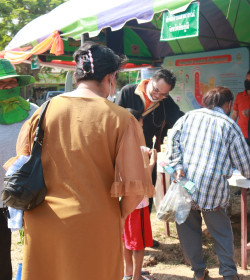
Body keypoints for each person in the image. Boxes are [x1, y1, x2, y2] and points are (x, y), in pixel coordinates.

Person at [4, 42, 155, 280]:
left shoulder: (43, 110)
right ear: (111, 77)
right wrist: (117, 216)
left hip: (45, 220)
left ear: (77, 76)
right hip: (96, 223)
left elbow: (21, 162)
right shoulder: (121, 119)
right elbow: (135, 187)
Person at [167, 87, 250, 280]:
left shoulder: (187, 118)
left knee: (188, 229)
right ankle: (229, 274)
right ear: (228, 104)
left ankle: (199, 272)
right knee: (222, 233)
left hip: (185, 185)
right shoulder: (229, 125)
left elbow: (172, 146)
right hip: (212, 188)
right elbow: (245, 165)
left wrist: (178, 166)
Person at [116, 68, 184, 247]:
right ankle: (121, 236)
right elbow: (114, 119)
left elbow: (180, 119)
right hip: (124, 155)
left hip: (147, 158)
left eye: (163, 94)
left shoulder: (165, 101)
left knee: (147, 195)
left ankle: (144, 235)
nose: (158, 96)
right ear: (150, 81)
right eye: (156, 90)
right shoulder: (128, 92)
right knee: (123, 195)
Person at [0, 58, 38, 280]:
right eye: (2, 84)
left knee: (34, 249)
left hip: (29, 194)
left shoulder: (33, 111)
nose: (7, 88)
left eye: (11, 83)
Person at [122, 108, 157, 280]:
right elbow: (144, 175)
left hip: (123, 200)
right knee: (138, 242)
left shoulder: (118, 142)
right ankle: (136, 277)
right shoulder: (140, 147)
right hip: (139, 202)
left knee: (126, 238)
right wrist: (153, 161)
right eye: (141, 123)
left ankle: (128, 272)